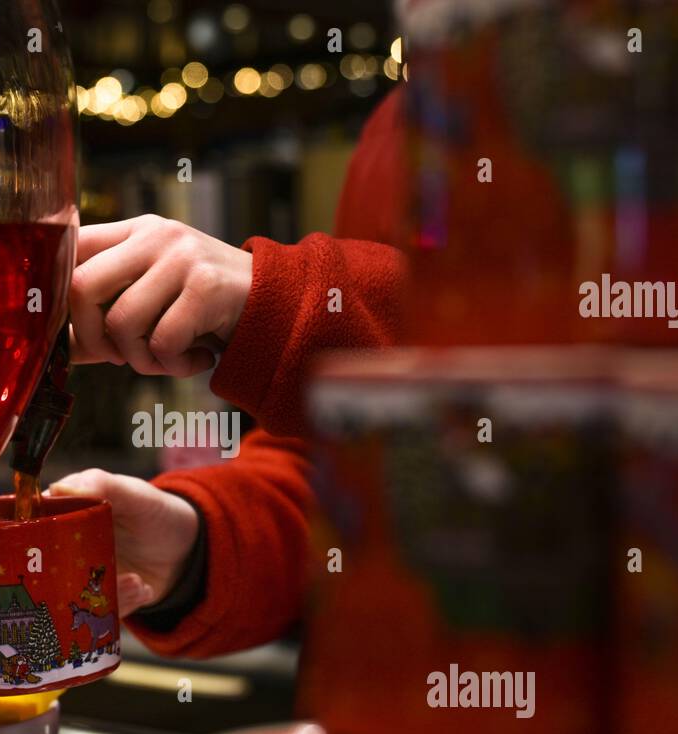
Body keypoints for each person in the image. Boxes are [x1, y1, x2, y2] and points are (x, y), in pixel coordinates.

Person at [48, 85, 410, 658]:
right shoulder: (399, 124)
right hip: (367, 717)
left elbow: (550, 398)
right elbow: (346, 476)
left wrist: (276, 302)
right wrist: (200, 542)